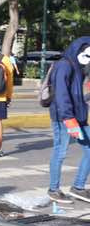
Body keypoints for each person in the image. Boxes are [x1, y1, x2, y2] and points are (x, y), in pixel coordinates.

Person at [47, 37, 90, 203]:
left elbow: (77, 94)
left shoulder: (78, 66)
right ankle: (53, 189)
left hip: (79, 115)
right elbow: (61, 94)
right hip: (64, 116)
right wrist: (68, 118)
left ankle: (78, 187)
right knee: (60, 152)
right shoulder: (64, 65)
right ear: (78, 50)